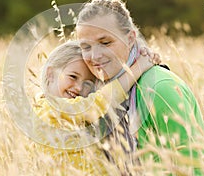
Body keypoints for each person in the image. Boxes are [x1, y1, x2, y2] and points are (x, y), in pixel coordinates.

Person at [76, 0, 204, 175]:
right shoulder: (94, 92)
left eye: (105, 42)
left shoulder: (160, 88)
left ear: (131, 38)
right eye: (86, 47)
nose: (95, 56)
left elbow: (193, 169)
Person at [32, 40, 160, 174]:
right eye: (73, 76)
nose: (79, 88)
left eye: (87, 84)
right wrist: (139, 66)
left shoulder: (74, 117)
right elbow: (97, 103)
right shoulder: (47, 109)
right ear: (50, 74)